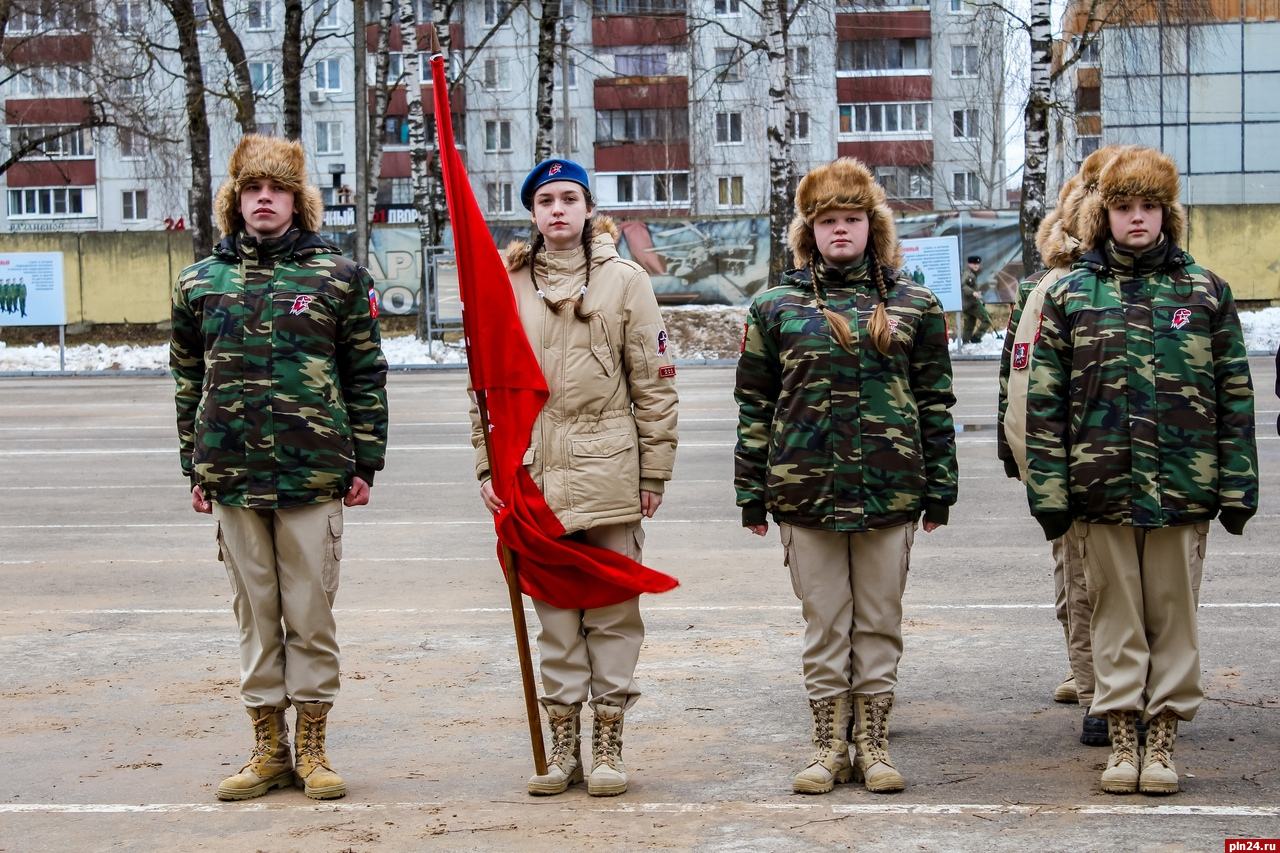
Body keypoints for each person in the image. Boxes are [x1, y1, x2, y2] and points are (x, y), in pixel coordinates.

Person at [1024, 146, 1258, 796]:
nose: (1136, 218)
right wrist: (1050, 492)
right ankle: (1122, 745)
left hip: (1183, 493)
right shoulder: (1071, 295)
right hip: (1102, 494)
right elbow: (1045, 404)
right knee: (1115, 620)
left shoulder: (1205, 293)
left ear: (1166, 214)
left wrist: (1237, 486)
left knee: (1173, 621)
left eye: (1148, 207)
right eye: (1124, 207)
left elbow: (1234, 397)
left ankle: (1163, 747)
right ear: (1104, 214)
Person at [170, 134, 389, 802]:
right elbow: (185, 378)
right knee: (256, 616)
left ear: (298, 200)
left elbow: (365, 372)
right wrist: (194, 466)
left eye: (278, 189)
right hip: (232, 476)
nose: (265, 199)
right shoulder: (199, 282)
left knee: (310, 613)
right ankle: (268, 749)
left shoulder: (338, 277)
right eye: (253, 189)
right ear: (235, 201)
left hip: (313, 474)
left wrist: (367, 460)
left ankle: (314, 748)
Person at [734, 158, 958, 795]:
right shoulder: (775, 306)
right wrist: (751, 492)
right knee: (827, 621)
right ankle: (830, 745)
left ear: (872, 226)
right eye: (828, 221)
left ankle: (876, 743)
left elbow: (935, 401)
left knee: (881, 618)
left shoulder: (916, 303)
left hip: (891, 492)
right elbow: (755, 404)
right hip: (807, 493)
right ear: (809, 230)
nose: (840, 231)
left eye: (852, 220)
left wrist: (940, 486)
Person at [472, 158, 678, 797]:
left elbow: (654, 382)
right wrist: (488, 464)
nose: (557, 210)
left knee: (612, 610)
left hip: (610, 467)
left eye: (570, 198)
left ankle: (609, 742)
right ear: (531, 213)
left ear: (589, 209)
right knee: (556, 614)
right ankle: (563, 748)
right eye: (545, 200)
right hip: (532, 475)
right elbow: (483, 390)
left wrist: (655, 470)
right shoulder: (504, 285)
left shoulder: (625, 282)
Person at [998, 145, 1133, 747]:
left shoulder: (1165, 280)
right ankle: (1097, 692)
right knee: (1082, 582)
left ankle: (1129, 683)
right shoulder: (1056, 287)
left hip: (1145, 473)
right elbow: (1022, 384)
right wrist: (1033, 469)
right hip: (1079, 471)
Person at [961, 255, 991, 343]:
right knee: (987, 319)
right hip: (971, 303)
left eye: (977, 264)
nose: (976, 266)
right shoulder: (968, 274)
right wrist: (972, 292)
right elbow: (963, 285)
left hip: (968, 303)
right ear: (969, 264)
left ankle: (965, 341)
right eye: (974, 264)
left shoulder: (972, 273)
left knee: (970, 324)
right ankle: (976, 337)